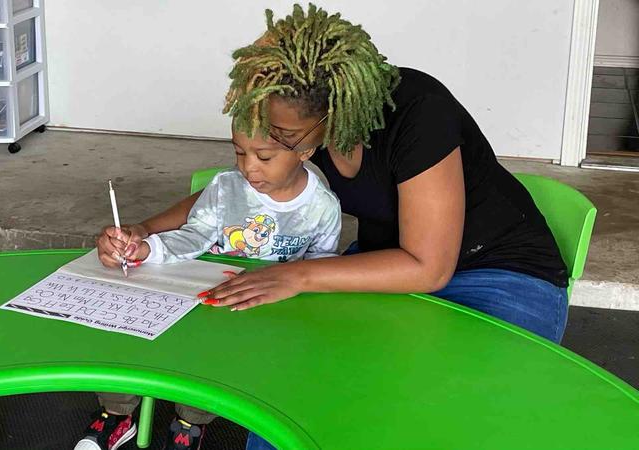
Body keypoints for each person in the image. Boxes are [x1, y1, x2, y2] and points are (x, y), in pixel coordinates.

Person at [97, 4, 571, 449]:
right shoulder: (300, 128)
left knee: (440, 403)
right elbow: (232, 195)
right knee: (296, 382)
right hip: (387, 268)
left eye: (284, 137)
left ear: (334, 109)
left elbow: (429, 268)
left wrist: (298, 275)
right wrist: (144, 231)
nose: (272, 144)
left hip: (501, 275)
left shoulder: (420, 111)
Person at [76, 109, 341, 449]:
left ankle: (190, 421)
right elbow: (194, 234)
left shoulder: (323, 207)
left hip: (258, 311)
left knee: (221, 355)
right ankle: (117, 411)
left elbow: (321, 269)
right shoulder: (225, 186)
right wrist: (146, 249)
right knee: (128, 319)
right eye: (239, 152)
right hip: (202, 292)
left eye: (264, 157)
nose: (248, 168)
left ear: (305, 151)